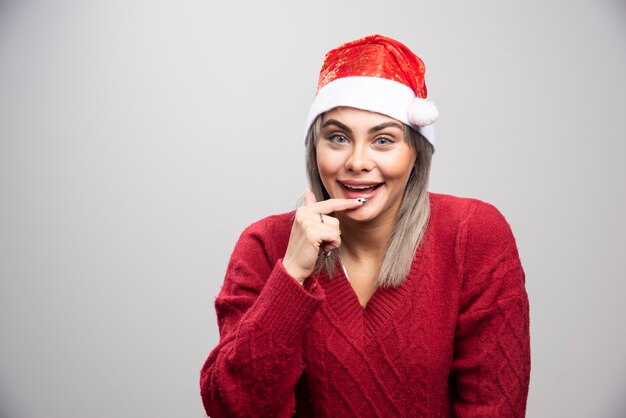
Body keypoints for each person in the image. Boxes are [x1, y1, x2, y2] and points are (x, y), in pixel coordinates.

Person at [199, 34, 530, 417]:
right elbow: (232, 408)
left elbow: (494, 406)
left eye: (383, 140)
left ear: (415, 154)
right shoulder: (264, 245)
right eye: (338, 137)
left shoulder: (474, 236)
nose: (357, 162)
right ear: (315, 148)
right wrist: (290, 277)